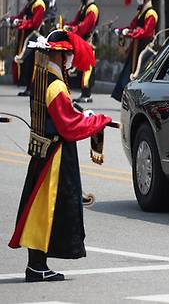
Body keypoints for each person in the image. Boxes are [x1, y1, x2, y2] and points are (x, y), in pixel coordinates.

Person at [8, 27, 112, 282]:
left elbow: (66, 115)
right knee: (44, 211)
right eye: (67, 56)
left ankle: (37, 265)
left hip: (47, 151)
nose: (69, 60)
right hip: (54, 156)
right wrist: (97, 120)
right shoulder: (54, 85)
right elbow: (69, 125)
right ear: (58, 56)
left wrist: (83, 116)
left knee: (41, 210)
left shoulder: (43, 78)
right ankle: (36, 266)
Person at [111, 0, 160, 102]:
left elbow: (146, 32)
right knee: (128, 75)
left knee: (138, 75)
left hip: (144, 49)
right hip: (136, 48)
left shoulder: (151, 13)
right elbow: (132, 26)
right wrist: (122, 30)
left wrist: (130, 33)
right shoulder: (140, 13)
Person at [66, 0, 106, 103]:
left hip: (89, 40)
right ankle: (84, 93)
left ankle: (87, 94)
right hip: (83, 40)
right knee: (82, 66)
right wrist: (69, 26)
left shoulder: (92, 8)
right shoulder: (83, 6)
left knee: (87, 68)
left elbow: (86, 26)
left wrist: (74, 29)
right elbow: (77, 21)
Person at [12, 0, 49, 96]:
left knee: (32, 61)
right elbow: (22, 14)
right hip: (27, 34)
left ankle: (32, 87)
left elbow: (35, 22)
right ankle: (28, 86)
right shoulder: (31, 1)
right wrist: (13, 19)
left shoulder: (39, 3)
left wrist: (22, 22)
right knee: (27, 62)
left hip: (34, 35)